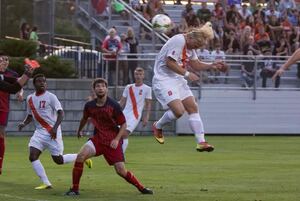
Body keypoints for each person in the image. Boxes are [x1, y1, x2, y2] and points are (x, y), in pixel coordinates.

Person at [65, 78, 153, 196]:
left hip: (112, 141)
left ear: (106, 89)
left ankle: (141, 188)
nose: (100, 88)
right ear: (94, 89)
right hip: (98, 140)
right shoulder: (89, 105)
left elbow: (123, 124)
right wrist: (79, 130)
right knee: (80, 156)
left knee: (121, 171)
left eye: (102, 86)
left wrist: (117, 139)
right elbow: (85, 118)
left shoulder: (114, 105)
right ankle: (74, 189)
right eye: (98, 86)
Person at [152, 22, 225, 152]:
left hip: (177, 78)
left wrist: (211, 65)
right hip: (164, 79)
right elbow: (169, 62)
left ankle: (201, 142)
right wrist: (187, 74)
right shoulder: (179, 40)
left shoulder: (190, 46)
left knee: (193, 107)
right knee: (179, 112)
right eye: (196, 45)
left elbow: (196, 64)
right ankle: (158, 126)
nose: (195, 49)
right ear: (191, 38)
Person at [18, 74, 92, 189]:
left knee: (59, 160)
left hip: (52, 132)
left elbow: (61, 113)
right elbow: (29, 115)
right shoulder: (30, 99)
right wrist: (23, 123)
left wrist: (54, 128)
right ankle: (46, 183)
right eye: (39, 81)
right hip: (39, 133)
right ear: (34, 84)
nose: (42, 83)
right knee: (32, 156)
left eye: (44, 81)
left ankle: (81, 157)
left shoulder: (51, 97)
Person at [0, 53, 37, 175]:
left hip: (2, 108)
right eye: (1, 60)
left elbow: (15, 85)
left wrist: (27, 73)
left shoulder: (5, 75)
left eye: (5, 60)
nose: (3, 62)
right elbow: (13, 87)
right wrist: (26, 75)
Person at [119, 67, 152, 154]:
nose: (138, 76)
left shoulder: (147, 89)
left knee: (125, 134)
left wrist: (146, 117)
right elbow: (122, 102)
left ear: (143, 76)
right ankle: (118, 155)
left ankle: (121, 155)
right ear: (134, 75)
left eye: (140, 74)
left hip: (135, 115)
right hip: (124, 113)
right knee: (118, 133)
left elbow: (148, 104)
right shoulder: (128, 87)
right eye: (137, 74)